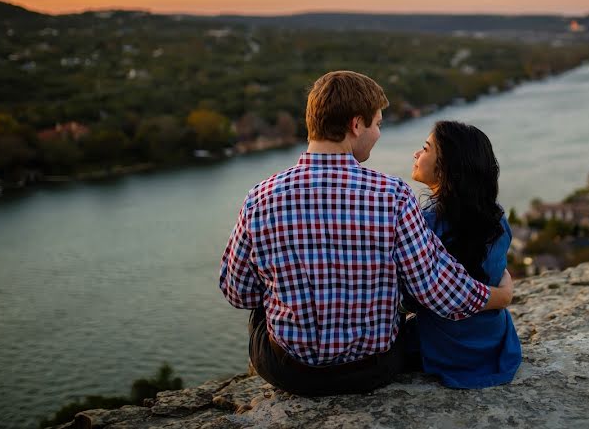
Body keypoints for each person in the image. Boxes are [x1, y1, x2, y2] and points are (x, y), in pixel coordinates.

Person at [219, 70, 514, 396]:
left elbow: (238, 293)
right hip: (372, 369)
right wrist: (496, 297)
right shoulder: (393, 196)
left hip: (291, 372)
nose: (378, 134)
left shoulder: (260, 197)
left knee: (262, 309)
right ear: (356, 125)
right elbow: (434, 289)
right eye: (377, 124)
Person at [409, 120, 522, 388]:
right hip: (492, 343)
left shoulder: (423, 225)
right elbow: (497, 274)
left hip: (446, 348)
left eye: (425, 149)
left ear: (445, 167)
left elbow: (414, 299)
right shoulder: (496, 219)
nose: (416, 154)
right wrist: (503, 294)